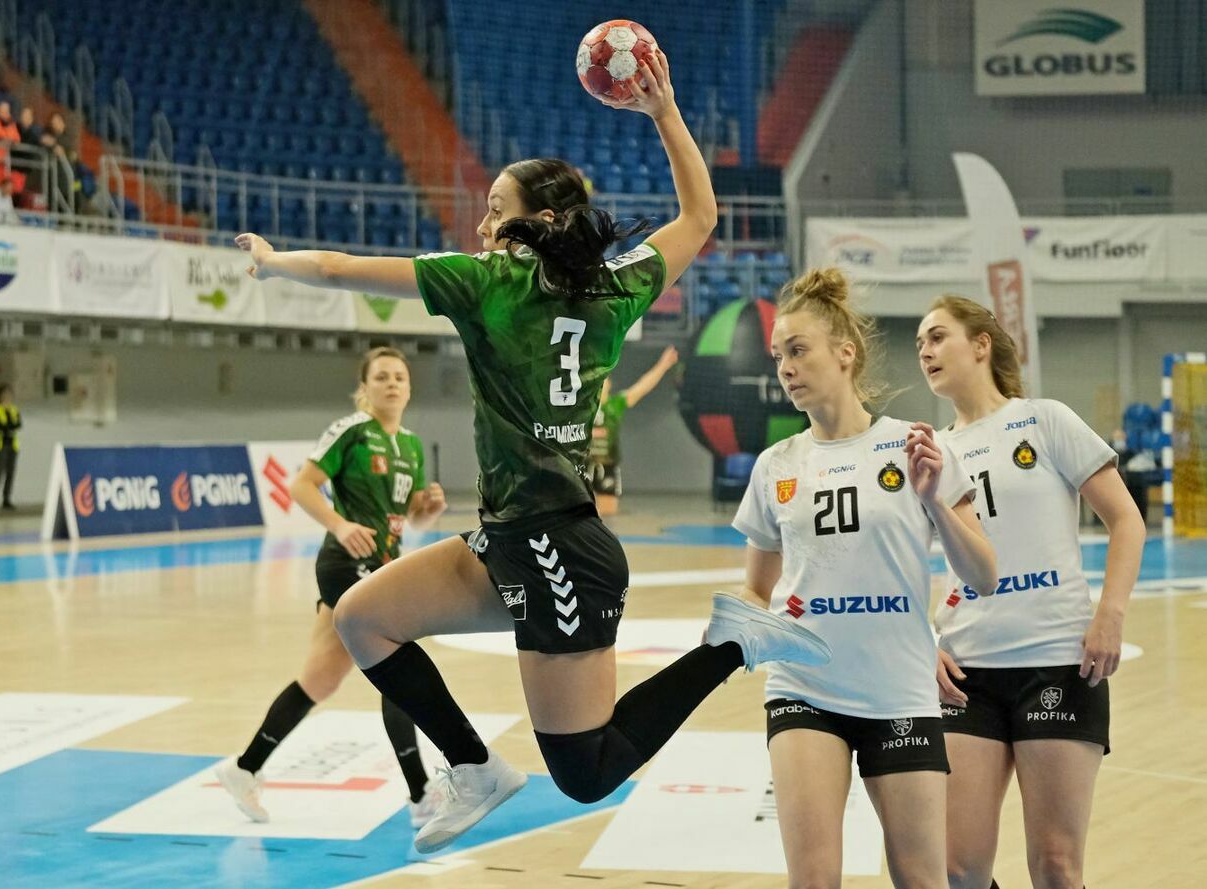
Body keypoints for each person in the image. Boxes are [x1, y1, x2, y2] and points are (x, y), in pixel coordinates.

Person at [236, 49, 830, 855]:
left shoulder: (490, 280)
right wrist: (664, 114)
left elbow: (345, 268)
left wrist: (276, 263)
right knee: (361, 617)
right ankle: (474, 767)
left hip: (557, 546)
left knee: (586, 770)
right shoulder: (617, 290)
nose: (483, 225)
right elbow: (700, 219)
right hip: (511, 538)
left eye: (495, 208)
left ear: (540, 220)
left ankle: (729, 643)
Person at [733, 269, 997, 889]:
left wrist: (934, 500)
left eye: (798, 351)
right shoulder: (777, 466)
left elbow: (982, 575)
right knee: (814, 881)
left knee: (922, 880)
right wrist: (740, 622)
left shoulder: (913, 447)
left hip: (899, 693)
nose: (785, 368)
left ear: (844, 353)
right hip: (804, 689)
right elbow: (756, 589)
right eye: (778, 357)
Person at [916, 295, 1145, 889]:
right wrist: (922, 640)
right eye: (920, 343)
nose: (926, 350)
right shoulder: (930, 453)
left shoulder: (1046, 420)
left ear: (981, 344)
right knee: (956, 868)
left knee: (1056, 867)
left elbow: (1127, 520)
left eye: (938, 336)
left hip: (1057, 664)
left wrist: (1110, 613)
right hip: (967, 672)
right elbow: (896, 564)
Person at [216, 347, 447, 827]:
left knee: (320, 678)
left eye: (399, 377)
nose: (391, 384)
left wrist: (430, 510)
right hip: (346, 563)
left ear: (409, 387)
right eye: (381, 377)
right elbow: (301, 485)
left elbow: (411, 520)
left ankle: (244, 769)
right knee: (397, 667)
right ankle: (421, 793)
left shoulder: (411, 445)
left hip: (385, 565)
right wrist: (341, 525)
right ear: (365, 387)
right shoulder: (351, 431)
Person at [587, 344, 679, 515]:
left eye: (604, 379)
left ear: (609, 384)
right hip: (583, 465)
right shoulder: (582, 406)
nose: (600, 383)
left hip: (607, 465)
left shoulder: (615, 405)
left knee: (607, 513)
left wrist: (663, 365)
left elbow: (642, 386)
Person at [0, 383, 21, 510]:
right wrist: (8, 427)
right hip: (0, 445)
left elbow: (18, 424)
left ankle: (6, 498)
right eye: (4, 394)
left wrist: (9, 427)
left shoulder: (13, 409)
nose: (7, 396)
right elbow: (0, 425)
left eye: (9, 394)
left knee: (11, 472)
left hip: (12, 444)